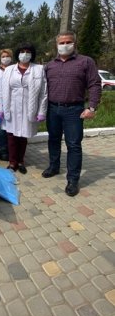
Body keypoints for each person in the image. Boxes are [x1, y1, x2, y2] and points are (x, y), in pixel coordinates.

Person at [43, 30, 101, 197]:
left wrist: (91, 107)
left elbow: (94, 85)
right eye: (61, 43)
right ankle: (54, 167)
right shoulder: (50, 65)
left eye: (68, 42)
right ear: (56, 45)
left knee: (73, 144)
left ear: (74, 43)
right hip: (52, 109)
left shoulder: (85, 62)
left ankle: (73, 180)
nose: (64, 45)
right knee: (53, 139)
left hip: (74, 110)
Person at [0, 42, 48, 174]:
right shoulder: (9, 70)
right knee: (11, 136)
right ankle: (12, 162)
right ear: (17, 54)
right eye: (22, 51)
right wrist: (0, 109)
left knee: (23, 136)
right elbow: (2, 91)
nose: (24, 54)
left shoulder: (38, 69)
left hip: (28, 107)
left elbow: (43, 92)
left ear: (32, 54)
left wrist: (42, 111)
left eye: (28, 51)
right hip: (11, 107)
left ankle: (21, 161)